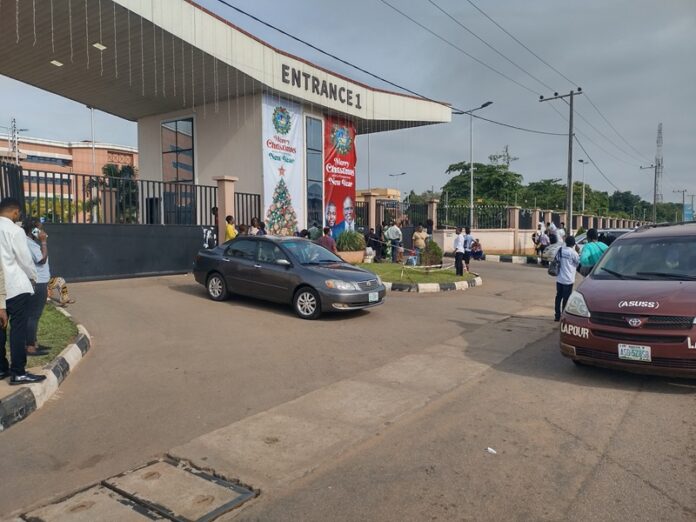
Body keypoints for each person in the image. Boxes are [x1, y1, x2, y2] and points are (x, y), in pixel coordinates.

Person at [0, 198, 45, 384]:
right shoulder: (15, 231)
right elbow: (25, 260)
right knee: (17, 331)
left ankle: (2, 369)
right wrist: (33, 278)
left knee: (0, 330)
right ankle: (18, 371)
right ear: (16, 212)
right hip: (16, 287)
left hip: (2, 289)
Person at [23, 220, 50, 357]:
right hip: (38, 283)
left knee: (33, 315)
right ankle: (30, 347)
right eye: (39, 229)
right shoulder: (30, 244)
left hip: (38, 282)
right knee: (33, 316)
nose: (42, 231)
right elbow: (42, 259)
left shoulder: (30, 242)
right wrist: (44, 241)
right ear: (33, 231)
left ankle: (33, 342)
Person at [554, 235, 580, 322]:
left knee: (558, 297)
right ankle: (564, 317)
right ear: (574, 244)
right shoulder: (574, 253)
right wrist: (578, 251)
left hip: (559, 278)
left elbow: (556, 260)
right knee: (566, 299)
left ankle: (557, 315)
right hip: (568, 280)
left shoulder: (560, 250)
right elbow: (577, 264)